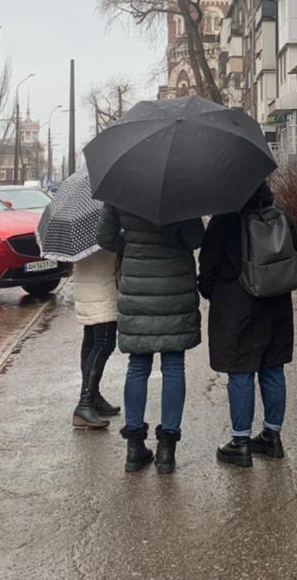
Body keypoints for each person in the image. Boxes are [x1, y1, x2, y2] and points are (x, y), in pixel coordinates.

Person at [98, 204, 204, 475]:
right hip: (175, 287)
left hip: (137, 287)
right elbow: (195, 239)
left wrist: (133, 243)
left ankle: (134, 449)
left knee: (137, 365)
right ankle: (167, 451)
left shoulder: (120, 191)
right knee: (173, 366)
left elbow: (106, 237)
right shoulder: (182, 192)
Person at [198, 183, 296, 468]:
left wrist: (211, 291)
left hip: (236, 305)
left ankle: (240, 443)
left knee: (241, 369)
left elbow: (208, 267)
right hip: (276, 303)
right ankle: (272, 437)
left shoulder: (224, 218)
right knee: (273, 367)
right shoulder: (281, 215)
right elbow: (293, 259)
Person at [70, 242, 121, 429]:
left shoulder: (82, 231)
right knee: (104, 343)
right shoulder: (104, 223)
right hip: (101, 287)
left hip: (87, 286)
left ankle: (93, 397)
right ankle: (85, 403)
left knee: (91, 341)